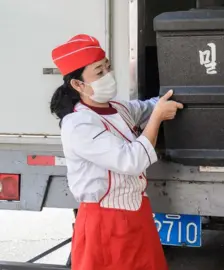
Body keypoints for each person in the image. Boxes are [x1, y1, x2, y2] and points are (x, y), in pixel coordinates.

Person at [49, 34, 183, 270]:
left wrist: (176, 96)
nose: (107, 76)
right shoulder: (79, 124)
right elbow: (131, 160)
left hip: (137, 213)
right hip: (105, 222)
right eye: (99, 72)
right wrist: (158, 118)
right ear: (78, 84)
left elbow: (149, 106)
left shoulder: (119, 108)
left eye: (108, 68)